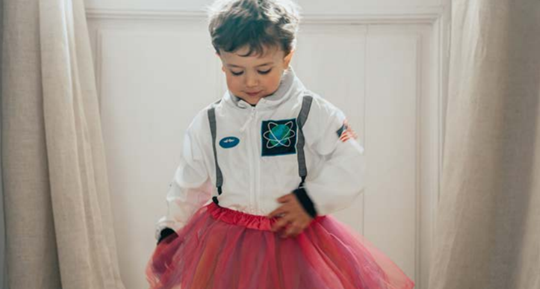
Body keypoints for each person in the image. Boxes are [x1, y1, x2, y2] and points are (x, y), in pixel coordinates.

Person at [145, 0, 415, 288]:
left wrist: (312, 200)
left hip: (294, 240)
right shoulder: (209, 122)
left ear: (287, 57)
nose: (250, 81)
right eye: (236, 71)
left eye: (263, 69)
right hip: (227, 245)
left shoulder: (309, 111)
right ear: (220, 60)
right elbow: (189, 183)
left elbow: (350, 161)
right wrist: (172, 228)